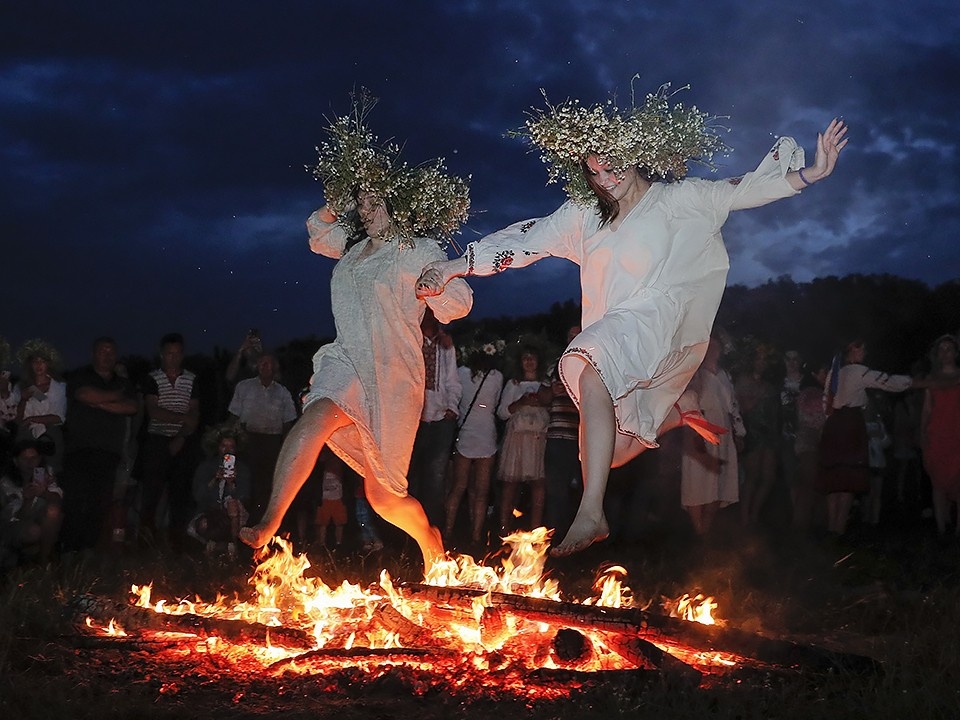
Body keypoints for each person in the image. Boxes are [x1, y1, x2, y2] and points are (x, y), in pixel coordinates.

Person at [418, 81, 849, 554]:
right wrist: (457, 265)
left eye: (612, 166)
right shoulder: (584, 215)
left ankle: (590, 513)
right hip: (618, 334)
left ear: (636, 152)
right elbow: (525, 240)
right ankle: (675, 417)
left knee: (586, 364)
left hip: (656, 322)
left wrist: (812, 173)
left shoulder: (675, 200)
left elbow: (740, 190)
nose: (605, 179)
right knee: (611, 453)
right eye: (594, 171)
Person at [240, 93, 473, 574]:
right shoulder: (350, 247)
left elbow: (460, 302)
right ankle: (269, 522)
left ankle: (432, 544)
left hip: (393, 374)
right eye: (361, 202)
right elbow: (314, 228)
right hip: (345, 359)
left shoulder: (415, 248)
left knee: (384, 497)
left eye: (372, 201)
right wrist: (338, 199)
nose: (365, 210)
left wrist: (435, 285)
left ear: (395, 203)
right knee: (315, 417)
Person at [817, 339, 918, 536]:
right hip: (849, 425)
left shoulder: (835, 372)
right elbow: (887, 381)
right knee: (847, 480)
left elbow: (825, 405)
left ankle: (832, 530)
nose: (863, 351)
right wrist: (914, 381)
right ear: (850, 350)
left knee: (836, 480)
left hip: (834, 426)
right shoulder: (856, 371)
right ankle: (838, 530)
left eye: (864, 348)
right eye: (859, 348)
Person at [60, 337, 140, 552]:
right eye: (103, 351)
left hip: (108, 452)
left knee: (100, 503)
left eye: (111, 351)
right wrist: (113, 397)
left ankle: (89, 550)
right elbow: (83, 394)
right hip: (79, 450)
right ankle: (69, 550)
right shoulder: (80, 375)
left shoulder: (123, 382)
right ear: (94, 353)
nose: (107, 355)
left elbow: (131, 407)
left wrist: (99, 402)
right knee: (75, 501)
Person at [139, 332, 201, 549]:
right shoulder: (152, 378)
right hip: (157, 439)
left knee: (180, 492)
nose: (172, 358)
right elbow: (154, 411)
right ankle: (146, 539)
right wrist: (182, 417)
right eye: (169, 354)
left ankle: (177, 541)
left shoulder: (192, 379)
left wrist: (181, 436)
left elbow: (194, 416)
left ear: (182, 355)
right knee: (152, 492)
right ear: (161, 355)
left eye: (177, 354)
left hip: (183, 440)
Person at [680, 336, 745, 535]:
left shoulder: (724, 375)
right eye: (711, 346)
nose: (715, 350)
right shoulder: (695, 375)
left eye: (718, 347)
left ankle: (705, 532)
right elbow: (687, 404)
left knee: (718, 483)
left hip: (722, 433)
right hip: (700, 430)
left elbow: (733, 406)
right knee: (697, 481)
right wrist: (693, 434)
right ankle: (698, 532)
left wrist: (740, 432)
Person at [443, 341, 504, 546]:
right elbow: (494, 404)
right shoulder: (496, 376)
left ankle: (448, 531)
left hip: (466, 432)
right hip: (486, 433)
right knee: (482, 492)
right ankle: (477, 536)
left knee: (458, 487)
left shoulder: (460, 372)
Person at [226, 352, 297, 522]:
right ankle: (242, 524)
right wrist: (229, 439)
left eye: (269, 363)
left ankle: (264, 524)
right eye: (262, 363)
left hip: (271, 442)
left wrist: (285, 448)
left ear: (275, 367)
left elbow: (288, 422)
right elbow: (233, 416)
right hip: (247, 440)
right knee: (245, 481)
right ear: (256, 366)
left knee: (266, 485)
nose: (265, 366)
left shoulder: (283, 392)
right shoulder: (244, 387)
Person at [408, 307, 462, 529]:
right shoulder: (409, 340)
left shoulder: (445, 345)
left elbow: (452, 379)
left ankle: (433, 532)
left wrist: (451, 407)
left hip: (440, 420)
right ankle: (407, 534)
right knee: (409, 477)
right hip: (412, 420)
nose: (428, 316)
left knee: (436, 478)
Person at [496, 345, 550, 533]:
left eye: (532, 357)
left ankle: (536, 530)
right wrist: (521, 403)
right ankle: (504, 528)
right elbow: (502, 412)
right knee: (510, 485)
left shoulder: (545, 384)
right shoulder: (514, 384)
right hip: (517, 440)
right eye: (525, 358)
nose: (529, 361)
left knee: (538, 485)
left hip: (538, 440)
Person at [541, 325, 582, 542]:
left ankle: (579, 540)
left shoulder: (592, 364)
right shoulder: (556, 365)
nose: (574, 339)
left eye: (577, 335)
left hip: (583, 440)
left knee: (582, 492)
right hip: (557, 438)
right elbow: (544, 397)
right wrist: (552, 391)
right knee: (556, 491)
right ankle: (557, 540)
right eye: (570, 335)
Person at [187, 426, 251, 559]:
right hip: (209, 513)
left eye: (231, 447)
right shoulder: (206, 467)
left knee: (233, 506)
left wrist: (231, 484)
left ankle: (234, 548)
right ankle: (212, 549)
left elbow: (245, 496)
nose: (227, 450)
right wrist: (215, 480)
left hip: (234, 516)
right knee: (204, 524)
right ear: (217, 447)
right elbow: (198, 496)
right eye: (223, 446)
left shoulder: (242, 469)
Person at [920, 334, 960, 538]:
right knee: (938, 481)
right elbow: (927, 410)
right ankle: (941, 528)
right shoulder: (931, 379)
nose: (945, 353)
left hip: (957, 433)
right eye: (941, 349)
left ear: (955, 352)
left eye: (949, 349)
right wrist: (922, 433)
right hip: (937, 434)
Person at [0, 439, 63, 567]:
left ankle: (43, 561)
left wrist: (43, 493)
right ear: (16, 461)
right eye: (25, 458)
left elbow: (57, 500)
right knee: (33, 531)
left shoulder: (45, 474)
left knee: (53, 511)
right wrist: (27, 500)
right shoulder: (7, 483)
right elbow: (15, 519)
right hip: (13, 527)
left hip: (40, 519)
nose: (30, 463)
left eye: (33, 458)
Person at [15, 339, 67, 473]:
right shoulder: (21, 387)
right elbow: (18, 420)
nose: (39, 365)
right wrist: (23, 400)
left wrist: (34, 419)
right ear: (30, 365)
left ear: (48, 364)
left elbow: (58, 417)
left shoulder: (59, 387)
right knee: (26, 470)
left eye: (42, 361)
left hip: (51, 434)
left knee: (48, 471)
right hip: (27, 433)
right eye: (35, 361)